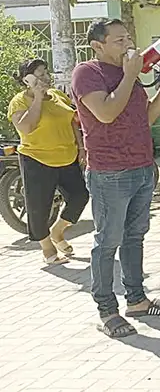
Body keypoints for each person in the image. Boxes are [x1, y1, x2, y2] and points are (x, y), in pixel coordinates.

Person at [72, 16, 160, 337]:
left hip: (141, 167)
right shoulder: (86, 74)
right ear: (97, 45)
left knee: (134, 237)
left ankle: (137, 299)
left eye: (128, 38)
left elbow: (144, 118)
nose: (128, 44)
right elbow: (106, 112)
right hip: (109, 172)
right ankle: (107, 310)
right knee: (108, 242)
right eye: (119, 40)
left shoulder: (127, 74)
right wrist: (131, 76)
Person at [8, 59, 90, 264]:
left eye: (46, 72)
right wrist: (37, 97)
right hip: (37, 158)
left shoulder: (58, 96)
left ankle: (58, 231)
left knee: (80, 196)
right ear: (27, 80)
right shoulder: (19, 101)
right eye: (39, 74)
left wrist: (81, 147)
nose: (45, 77)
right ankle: (47, 250)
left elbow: (72, 121)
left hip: (67, 156)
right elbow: (27, 127)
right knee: (39, 207)